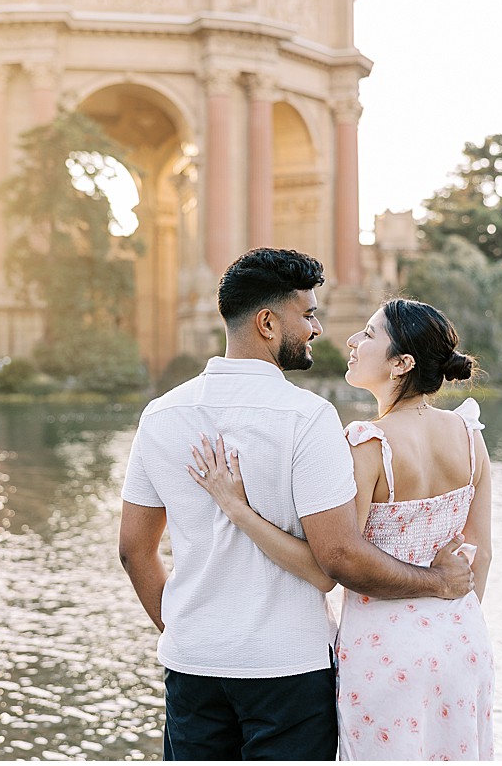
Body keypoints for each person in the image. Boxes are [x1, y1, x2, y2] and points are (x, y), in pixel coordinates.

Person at [118, 249, 473, 761]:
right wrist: (438, 583)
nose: (317, 328)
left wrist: (185, 631)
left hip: (193, 665)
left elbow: (134, 550)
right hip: (287, 671)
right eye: (307, 315)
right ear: (267, 322)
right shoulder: (307, 418)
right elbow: (339, 560)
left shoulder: (161, 414)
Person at [189, 297, 495, 760]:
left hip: (384, 652)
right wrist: (448, 624)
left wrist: (238, 508)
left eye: (369, 335)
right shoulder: (470, 435)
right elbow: (482, 555)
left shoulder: (368, 444)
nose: (352, 340)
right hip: (462, 641)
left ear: (402, 364)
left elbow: (331, 560)